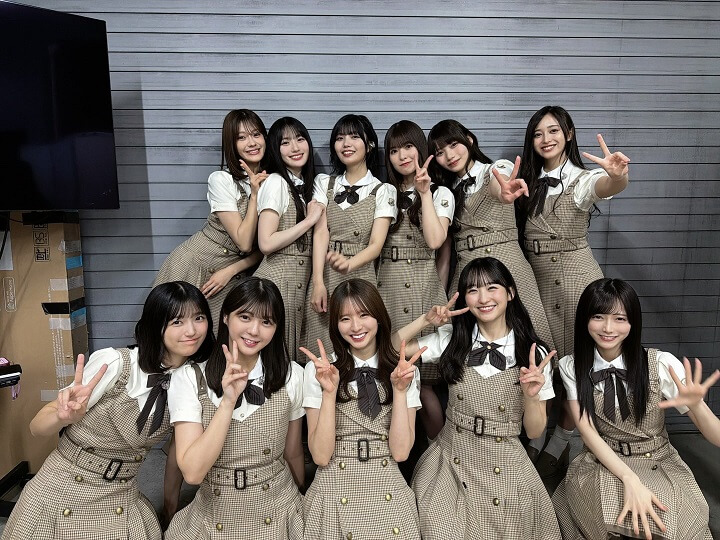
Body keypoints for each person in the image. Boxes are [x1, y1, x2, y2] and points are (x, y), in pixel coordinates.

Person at [2, 282, 214, 540]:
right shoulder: (115, 363)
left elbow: (178, 452)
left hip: (121, 495)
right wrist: (61, 416)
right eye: (177, 321)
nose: (191, 331)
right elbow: (36, 428)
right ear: (155, 325)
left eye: (199, 318)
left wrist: (170, 509)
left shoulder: (194, 379)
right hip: (62, 488)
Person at [394, 257, 561, 539]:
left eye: (492, 288)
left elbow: (534, 431)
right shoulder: (452, 339)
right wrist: (425, 320)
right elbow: (391, 349)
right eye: (473, 290)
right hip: (450, 459)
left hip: (505, 460)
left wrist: (531, 397)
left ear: (510, 293)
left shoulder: (533, 353)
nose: (483, 298)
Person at [552, 278, 719, 540]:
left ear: (633, 323)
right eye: (598, 317)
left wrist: (697, 406)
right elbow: (588, 434)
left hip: (658, 460)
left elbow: (716, 436)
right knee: (615, 522)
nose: (608, 328)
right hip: (603, 461)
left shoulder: (660, 364)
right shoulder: (572, 366)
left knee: (665, 524)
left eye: (620, 319)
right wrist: (629, 479)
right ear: (585, 320)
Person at [518, 105, 631, 487]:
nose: (546, 139)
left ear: (568, 134)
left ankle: (561, 441)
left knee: (576, 363)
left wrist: (617, 176)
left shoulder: (582, 179)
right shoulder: (528, 181)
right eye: (538, 133)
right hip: (536, 281)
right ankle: (539, 436)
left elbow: (605, 186)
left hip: (575, 280)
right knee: (542, 360)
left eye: (553, 131)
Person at [165, 277, 305, 539]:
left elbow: (293, 451)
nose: (254, 330)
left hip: (279, 508)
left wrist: (301, 499)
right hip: (215, 513)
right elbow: (193, 473)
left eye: (267, 322)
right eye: (245, 317)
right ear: (226, 317)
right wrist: (228, 401)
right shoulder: (189, 378)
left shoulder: (292, 375)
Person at [300, 278, 423, 540]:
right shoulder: (318, 369)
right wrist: (330, 392)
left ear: (379, 317)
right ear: (335, 325)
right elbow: (320, 456)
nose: (355, 327)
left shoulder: (403, 370)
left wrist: (400, 391)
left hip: (387, 486)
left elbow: (401, 453)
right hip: (333, 487)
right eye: (345, 319)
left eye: (364, 315)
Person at [427, 119, 554, 352]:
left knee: (527, 340)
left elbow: (500, 182)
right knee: (463, 345)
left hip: (508, 268)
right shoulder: (444, 192)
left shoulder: (495, 169)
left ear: (469, 140)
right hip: (466, 273)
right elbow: (444, 251)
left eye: (454, 145)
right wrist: (439, 295)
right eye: (440, 152)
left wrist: (504, 191)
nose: (450, 156)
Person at [154, 109, 266, 329]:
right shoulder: (221, 179)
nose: (252, 143)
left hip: (230, 275)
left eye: (256, 134)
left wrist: (232, 270)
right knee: (170, 329)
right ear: (231, 144)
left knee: (214, 335)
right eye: (241, 137)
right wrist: (254, 195)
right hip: (194, 264)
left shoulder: (274, 182)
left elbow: (266, 247)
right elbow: (244, 242)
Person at [379, 119, 454, 440]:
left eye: (408, 146)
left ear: (420, 149)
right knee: (391, 374)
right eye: (394, 150)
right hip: (388, 287)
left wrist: (424, 194)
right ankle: (398, 453)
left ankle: (438, 452)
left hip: (424, 287)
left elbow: (436, 241)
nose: (402, 156)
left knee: (425, 383)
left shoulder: (441, 193)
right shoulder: (383, 193)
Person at [302, 114, 397, 358]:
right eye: (340, 138)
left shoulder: (384, 190)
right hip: (325, 271)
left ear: (370, 144)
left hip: (361, 274)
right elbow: (321, 232)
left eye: (355, 137)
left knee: (360, 342)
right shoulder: (324, 182)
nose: (346, 143)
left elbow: (375, 245)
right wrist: (318, 282)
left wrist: (349, 264)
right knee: (321, 346)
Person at [253, 117, 325, 363]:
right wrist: (309, 221)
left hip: (296, 286)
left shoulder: (306, 186)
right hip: (276, 281)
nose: (295, 147)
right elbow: (266, 243)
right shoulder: (276, 182)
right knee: (272, 359)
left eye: (300, 139)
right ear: (276, 149)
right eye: (285, 143)